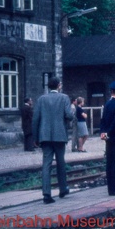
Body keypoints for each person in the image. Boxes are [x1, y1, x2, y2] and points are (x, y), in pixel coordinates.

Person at [32, 76, 73, 204]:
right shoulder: (64, 98)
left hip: (44, 136)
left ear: (49, 86)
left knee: (46, 164)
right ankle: (63, 189)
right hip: (60, 136)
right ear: (59, 85)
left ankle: (46, 194)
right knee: (61, 163)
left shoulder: (41, 99)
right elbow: (69, 115)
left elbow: (35, 119)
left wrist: (35, 137)